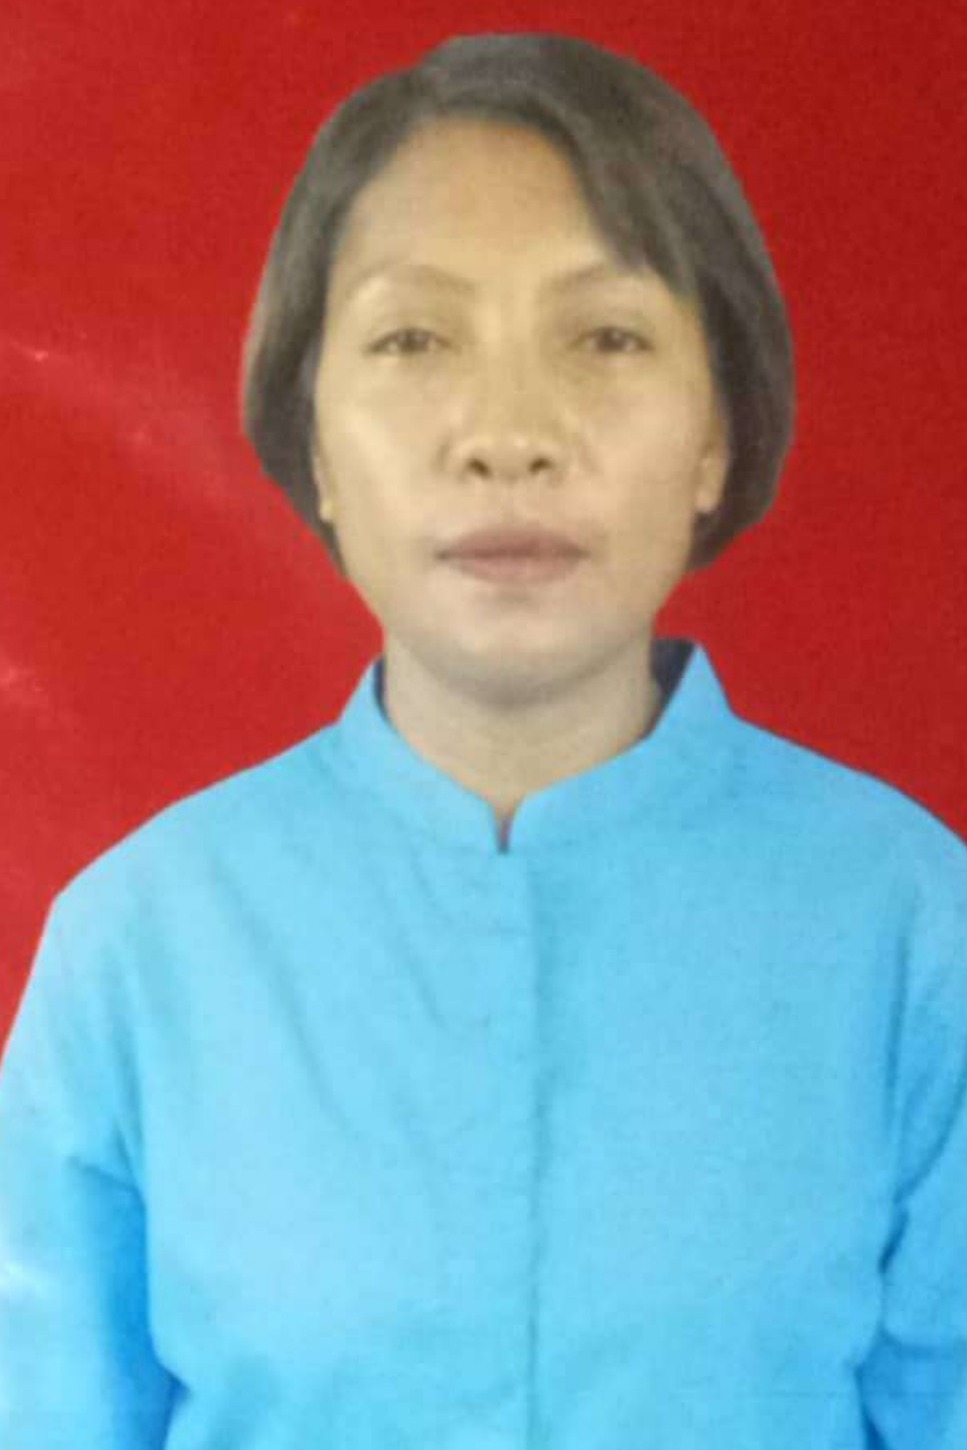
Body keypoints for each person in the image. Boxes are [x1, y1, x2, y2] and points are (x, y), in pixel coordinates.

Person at [0, 30, 964, 1449]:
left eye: (607, 337)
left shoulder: (912, 930)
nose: (509, 436)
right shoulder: (141, 947)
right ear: (313, 440)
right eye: (414, 340)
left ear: (715, 430)